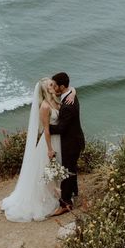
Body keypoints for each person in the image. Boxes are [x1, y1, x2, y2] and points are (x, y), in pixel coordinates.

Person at [0, 78, 70, 222]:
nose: (54, 86)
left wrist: (73, 91)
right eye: (51, 85)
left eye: (54, 84)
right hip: (49, 142)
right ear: (45, 89)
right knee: (46, 171)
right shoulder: (44, 106)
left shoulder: (56, 101)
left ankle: (58, 195)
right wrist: (50, 149)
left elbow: (69, 91)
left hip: (59, 140)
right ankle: (45, 198)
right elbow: (46, 130)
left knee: (56, 169)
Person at [48, 72, 85, 216]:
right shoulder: (70, 95)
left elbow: (61, 128)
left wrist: (44, 128)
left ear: (62, 87)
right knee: (72, 169)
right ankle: (74, 193)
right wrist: (73, 90)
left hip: (71, 143)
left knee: (67, 172)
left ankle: (65, 203)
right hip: (75, 140)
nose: (53, 88)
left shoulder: (68, 106)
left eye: (55, 86)